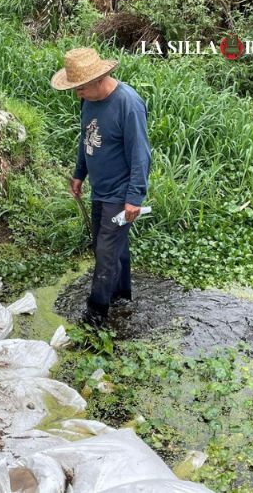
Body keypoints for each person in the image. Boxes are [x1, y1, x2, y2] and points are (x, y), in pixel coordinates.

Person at [51, 47, 151, 328]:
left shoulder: (127, 104)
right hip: (100, 189)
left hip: (121, 194)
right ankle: (121, 295)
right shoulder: (88, 101)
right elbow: (87, 138)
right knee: (112, 248)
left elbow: (140, 154)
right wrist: (79, 173)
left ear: (99, 79)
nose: (77, 94)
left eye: (80, 88)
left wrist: (134, 198)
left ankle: (95, 317)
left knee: (105, 254)